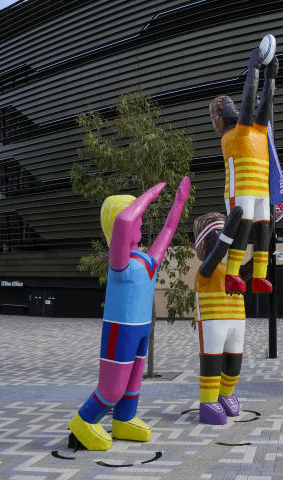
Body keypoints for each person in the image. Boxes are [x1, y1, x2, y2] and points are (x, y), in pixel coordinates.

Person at [68, 177, 191, 451]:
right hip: (119, 331)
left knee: (134, 380)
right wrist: (148, 196)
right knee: (112, 387)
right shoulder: (119, 262)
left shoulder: (145, 261)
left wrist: (179, 203)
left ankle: (125, 419)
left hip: (140, 329)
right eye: (139, 216)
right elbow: (124, 222)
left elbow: (168, 231)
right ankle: (84, 420)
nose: (142, 222)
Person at [209, 35, 278, 294]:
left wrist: (271, 77)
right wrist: (254, 69)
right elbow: (250, 102)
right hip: (243, 189)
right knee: (245, 224)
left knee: (265, 228)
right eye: (229, 106)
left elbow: (264, 106)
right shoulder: (232, 135)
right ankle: (232, 274)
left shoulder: (258, 130)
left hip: (260, 189)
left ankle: (259, 276)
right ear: (220, 116)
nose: (235, 107)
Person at [193, 207, 246, 425]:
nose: (224, 239)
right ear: (205, 243)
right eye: (217, 235)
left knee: (234, 363)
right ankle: (208, 402)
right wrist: (233, 227)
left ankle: (226, 394)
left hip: (236, 320)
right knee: (212, 362)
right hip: (213, 320)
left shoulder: (230, 269)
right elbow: (218, 251)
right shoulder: (205, 270)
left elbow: (247, 274)